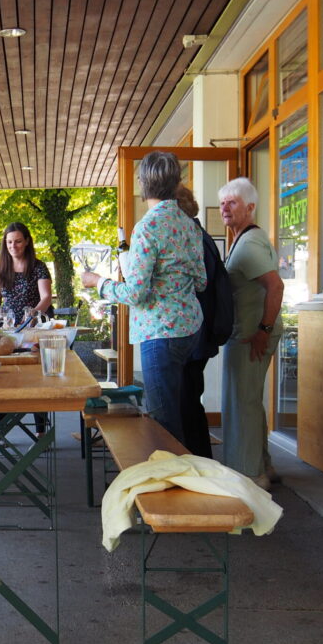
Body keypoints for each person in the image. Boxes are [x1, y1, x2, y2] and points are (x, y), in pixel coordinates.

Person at [81, 152, 205, 444]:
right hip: (190, 329)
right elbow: (201, 280)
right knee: (183, 411)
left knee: (164, 422)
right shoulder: (189, 224)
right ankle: (188, 477)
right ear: (176, 182)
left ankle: (171, 482)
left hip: (159, 333)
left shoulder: (148, 227)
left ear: (142, 184)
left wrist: (99, 282)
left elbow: (136, 293)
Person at [218, 177, 283, 489]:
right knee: (248, 401)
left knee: (242, 403)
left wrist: (264, 330)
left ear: (251, 207)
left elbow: (275, 285)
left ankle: (249, 476)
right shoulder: (243, 239)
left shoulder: (250, 242)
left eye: (232, 202)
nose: (225, 208)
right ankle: (261, 465)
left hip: (251, 336)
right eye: (222, 203)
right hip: (246, 333)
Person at [174, 184, 226, 458]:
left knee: (187, 405)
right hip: (199, 333)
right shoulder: (200, 236)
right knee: (190, 402)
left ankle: (198, 466)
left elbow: (197, 288)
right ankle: (199, 464)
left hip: (193, 333)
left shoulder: (193, 238)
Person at [0, 222, 52, 323]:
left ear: (27, 241)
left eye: (18, 241)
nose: (13, 246)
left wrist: (34, 315)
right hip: (8, 325)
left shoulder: (39, 267)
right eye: (9, 242)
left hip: (35, 325)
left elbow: (46, 297)